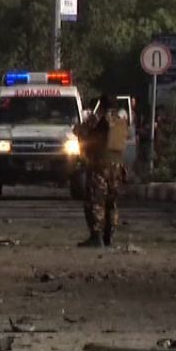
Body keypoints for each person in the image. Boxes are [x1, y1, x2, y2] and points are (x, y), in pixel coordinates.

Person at [74, 93, 129, 247]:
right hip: (117, 166)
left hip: (100, 165)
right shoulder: (121, 120)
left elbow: (80, 131)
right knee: (112, 202)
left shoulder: (101, 119)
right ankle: (109, 237)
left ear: (101, 105)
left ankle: (96, 237)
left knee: (95, 201)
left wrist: (87, 122)